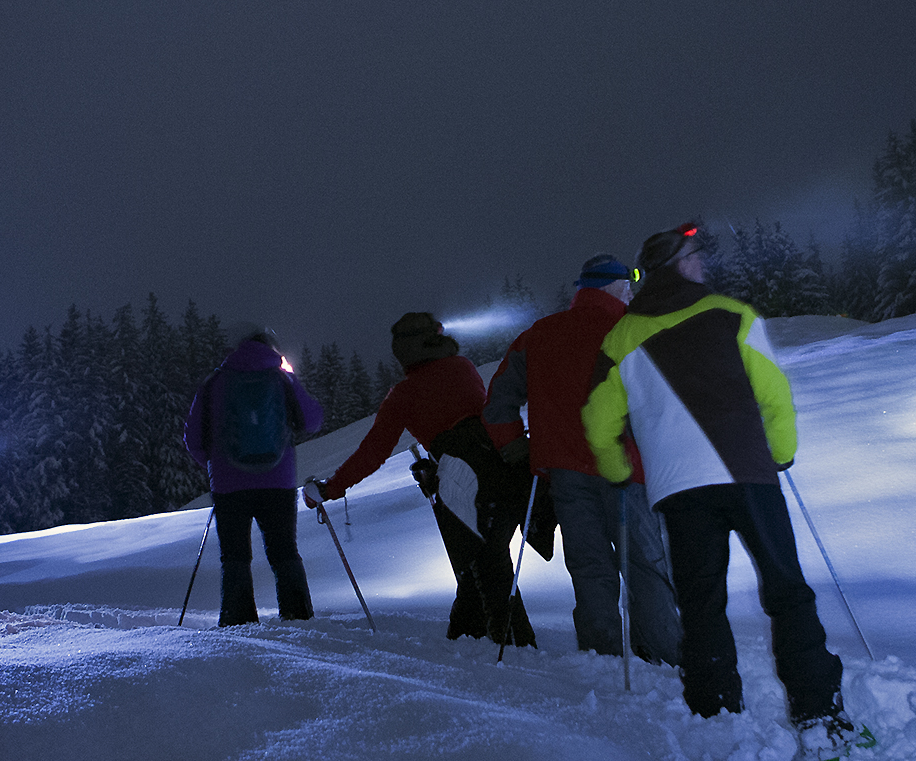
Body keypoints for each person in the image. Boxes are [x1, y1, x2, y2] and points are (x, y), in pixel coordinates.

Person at [582, 222, 859, 758]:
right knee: (787, 592)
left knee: (701, 602)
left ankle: (715, 714)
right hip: (749, 474)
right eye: (694, 255)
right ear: (677, 264)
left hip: (679, 491)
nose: (702, 262)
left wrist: (617, 470)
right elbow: (774, 394)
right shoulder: (733, 315)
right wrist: (781, 451)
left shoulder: (621, 338)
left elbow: (598, 421)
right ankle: (818, 714)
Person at [484, 254, 682, 663]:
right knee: (645, 562)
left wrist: (513, 443)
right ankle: (666, 649)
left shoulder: (539, 335)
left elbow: (498, 400)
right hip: (626, 469)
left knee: (590, 566)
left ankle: (602, 653)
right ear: (612, 287)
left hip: (565, 473)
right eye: (628, 284)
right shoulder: (634, 330)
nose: (632, 291)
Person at [307, 312, 536, 648]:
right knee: (487, 568)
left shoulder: (403, 394)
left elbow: (373, 453)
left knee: (487, 571)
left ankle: (513, 651)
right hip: (506, 474)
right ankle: (466, 642)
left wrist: (331, 488)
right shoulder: (464, 367)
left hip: (462, 490)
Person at [182, 325, 325, 626]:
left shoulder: (216, 381)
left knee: (234, 556)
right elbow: (312, 421)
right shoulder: (281, 378)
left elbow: (193, 438)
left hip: (228, 485)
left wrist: (214, 467)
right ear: (271, 348)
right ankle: (298, 616)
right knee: (284, 550)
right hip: (278, 482)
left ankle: (237, 621)